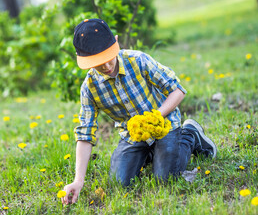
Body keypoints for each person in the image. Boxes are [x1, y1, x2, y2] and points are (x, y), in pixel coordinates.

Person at [61, 18, 217, 205]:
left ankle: (190, 135)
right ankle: (151, 152)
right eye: (97, 63)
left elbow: (178, 90)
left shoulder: (138, 60)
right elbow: (85, 135)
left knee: (164, 179)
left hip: (164, 123)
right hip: (132, 135)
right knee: (120, 183)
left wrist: (157, 115)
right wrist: (78, 181)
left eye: (108, 57)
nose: (106, 67)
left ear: (116, 42)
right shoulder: (89, 88)